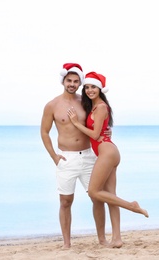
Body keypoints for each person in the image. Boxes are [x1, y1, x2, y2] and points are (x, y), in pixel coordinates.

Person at [67, 71, 149, 248]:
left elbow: (96, 135)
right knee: (110, 197)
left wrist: (76, 124)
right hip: (108, 151)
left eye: (93, 87)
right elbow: (101, 129)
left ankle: (132, 205)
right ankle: (117, 239)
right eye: (87, 87)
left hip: (107, 153)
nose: (89, 90)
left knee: (94, 192)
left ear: (100, 89)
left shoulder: (101, 107)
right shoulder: (96, 107)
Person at [40, 63, 109, 249]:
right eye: (69, 80)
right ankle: (66, 243)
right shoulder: (52, 105)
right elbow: (44, 132)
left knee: (97, 198)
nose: (72, 83)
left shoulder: (85, 102)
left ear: (80, 83)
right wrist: (54, 156)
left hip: (88, 156)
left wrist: (106, 132)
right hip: (66, 158)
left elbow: (99, 119)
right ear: (63, 80)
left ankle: (102, 240)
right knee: (65, 201)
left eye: (76, 81)